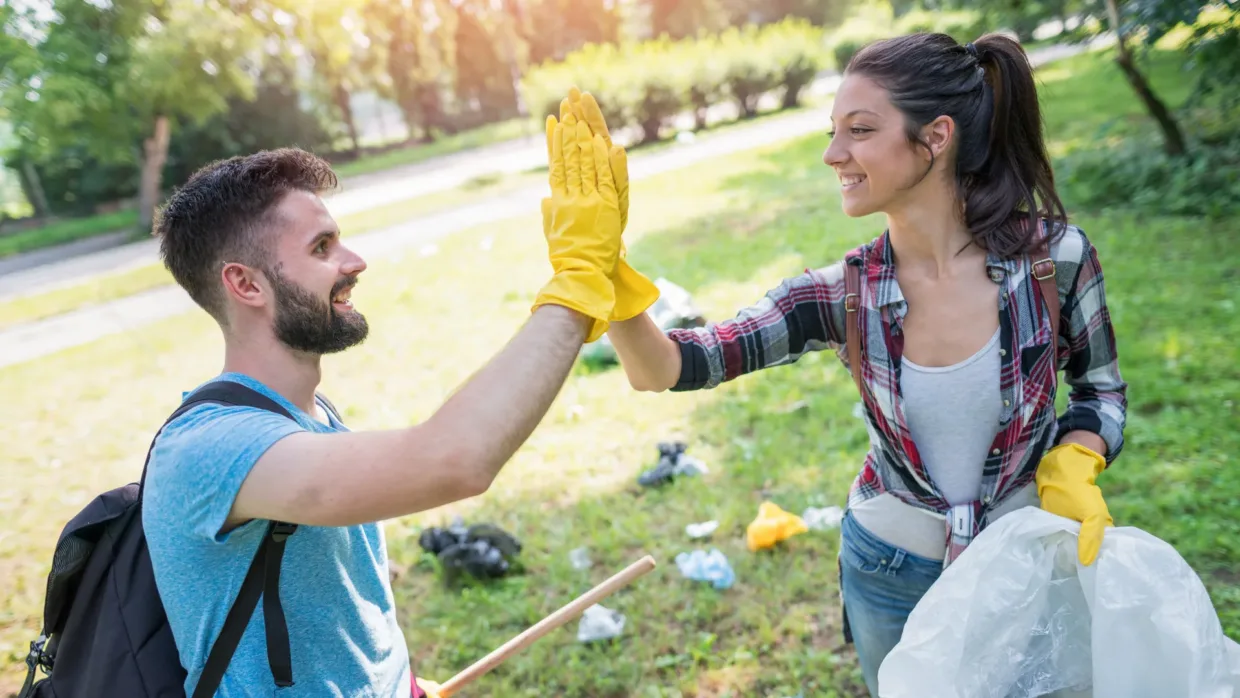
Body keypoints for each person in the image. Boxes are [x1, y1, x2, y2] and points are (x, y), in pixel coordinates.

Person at [572, 32, 1127, 695]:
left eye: (860, 130)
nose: (834, 154)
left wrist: (1079, 455)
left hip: (1024, 563)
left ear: (936, 137)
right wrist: (610, 275)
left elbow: (1100, 390)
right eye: (835, 131)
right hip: (890, 575)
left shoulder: (1053, 263)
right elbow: (664, 368)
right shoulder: (843, 294)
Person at [143, 114, 630, 696]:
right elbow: (455, 460)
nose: (355, 261)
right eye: (322, 247)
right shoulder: (212, 449)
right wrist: (576, 285)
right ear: (246, 285)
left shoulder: (308, 414)